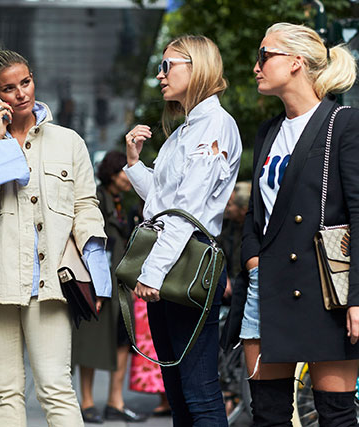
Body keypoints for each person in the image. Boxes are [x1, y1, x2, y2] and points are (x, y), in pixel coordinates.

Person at [0, 42, 112, 427]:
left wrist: (94, 264)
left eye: (25, 82)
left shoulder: (69, 141)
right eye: (9, 88)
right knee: (5, 391)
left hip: (51, 283)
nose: (21, 92)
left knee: (56, 388)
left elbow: (85, 206)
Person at [235, 22, 359, 426]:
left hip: (326, 293)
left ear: (295, 62)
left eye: (264, 55)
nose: (256, 66)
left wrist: (357, 297)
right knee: (267, 415)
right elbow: (256, 213)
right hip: (266, 289)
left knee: (335, 415)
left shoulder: (343, 124)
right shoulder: (268, 131)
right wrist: (253, 261)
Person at [123, 35, 242, 425]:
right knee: (177, 390)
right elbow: (162, 198)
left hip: (187, 261)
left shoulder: (214, 126)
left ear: (197, 66)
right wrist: (134, 163)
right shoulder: (186, 130)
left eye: (168, 65)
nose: (160, 75)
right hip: (176, 258)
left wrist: (152, 272)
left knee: (199, 392)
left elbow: (186, 211)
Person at [72, 150, 147, 423]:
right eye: (123, 173)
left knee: (123, 340)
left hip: (120, 285)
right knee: (91, 341)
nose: (128, 178)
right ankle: (87, 401)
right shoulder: (97, 198)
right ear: (112, 174)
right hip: (98, 282)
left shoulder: (120, 201)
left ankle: (116, 401)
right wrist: (93, 284)